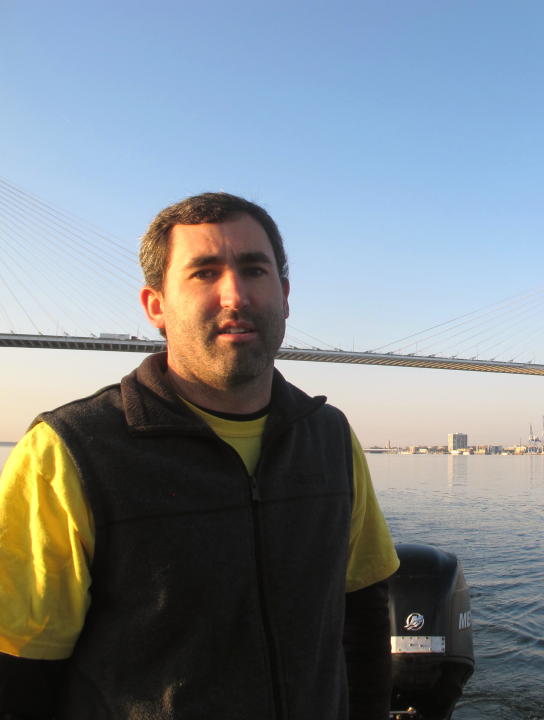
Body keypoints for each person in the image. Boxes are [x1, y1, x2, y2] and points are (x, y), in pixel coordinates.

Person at [0, 193, 400, 719]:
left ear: (283, 295)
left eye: (254, 270)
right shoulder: (68, 451)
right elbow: (22, 674)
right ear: (156, 306)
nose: (235, 295)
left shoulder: (329, 436)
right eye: (204, 273)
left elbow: (363, 611)